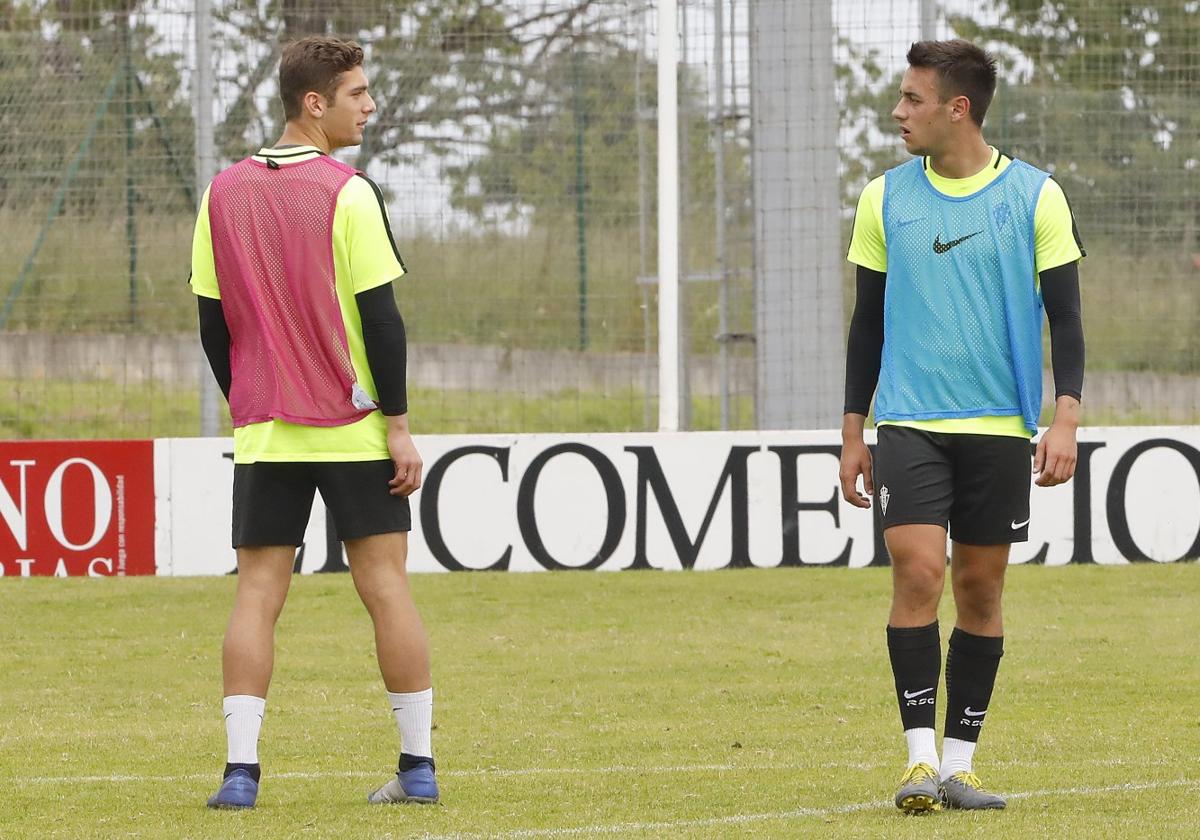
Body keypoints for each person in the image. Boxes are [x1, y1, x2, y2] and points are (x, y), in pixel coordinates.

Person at [838, 39, 1085, 813]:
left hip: (1001, 427)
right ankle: (916, 763)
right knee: (918, 573)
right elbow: (867, 326)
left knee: (981, 590)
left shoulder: (1037, 197)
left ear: (958, 109)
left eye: (912, 100)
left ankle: (959, 764)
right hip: (910, 420)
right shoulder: (883, 199)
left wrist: (1066, 417)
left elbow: (1067, 319)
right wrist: (854, 430)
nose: (897, 112)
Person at [190, 35, 437, 809]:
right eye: (358, 93)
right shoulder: (348, 191)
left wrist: (250, 400)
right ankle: (418, 769)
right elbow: (383, 320)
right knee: (386, 586)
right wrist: (397, 424)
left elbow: (211, 322)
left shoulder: (221, 193)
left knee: (257, 593)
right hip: (354, 426)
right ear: (314, 103)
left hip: (267, 429)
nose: (370, 106)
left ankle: (240, 775)